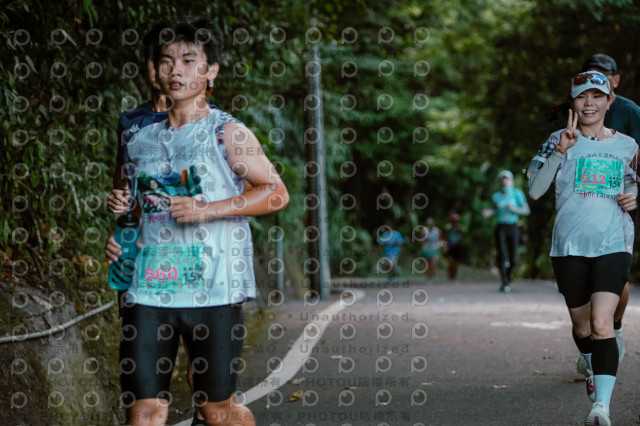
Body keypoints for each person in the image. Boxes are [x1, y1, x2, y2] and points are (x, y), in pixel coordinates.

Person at [107, 18, 289, 426]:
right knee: (144, 411)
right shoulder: (138, 139)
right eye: (166, 61)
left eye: (189, 60)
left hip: (214, 291)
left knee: (216, 412)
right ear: (155, 70)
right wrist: (121, 236)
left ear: (211, 72)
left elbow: (276, 193)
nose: (176, 70)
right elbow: (135, 210)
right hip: (149, 289)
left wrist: (208, 209)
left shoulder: (228, 133)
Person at [105, 22, 209, 426]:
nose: (165, 69)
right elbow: (125, 188)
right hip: (145, 264)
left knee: (206, 383)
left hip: (200, 263)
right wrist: (120, 224)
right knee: (142, 392)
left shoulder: (210, 123)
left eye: (177, 60)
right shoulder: (132, 123)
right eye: (158, 60)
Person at [528, 70, 637, 426]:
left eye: (596, 96)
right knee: (582, 327)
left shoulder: (628, 145)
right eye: (581, 96)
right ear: (573, 102)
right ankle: (593, 367)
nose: (589, 103)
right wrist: (561, 150)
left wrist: (633, 196)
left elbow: (632, 183)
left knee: (603, 324)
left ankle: (601, 407)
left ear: (609, 101)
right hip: (569, 246)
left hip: (614, 242)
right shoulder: (557, 140)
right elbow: (535, 190)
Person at [581, 53, 640, 364]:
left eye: (602, 75)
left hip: (619, 205)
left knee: (615, 275)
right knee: (583, 278)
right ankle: (591, 337)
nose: (595, 81)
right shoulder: (579, 109)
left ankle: (612, 329)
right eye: (588, 74)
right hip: (582, 207)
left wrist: (633, 194)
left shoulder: (630, 112)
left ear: (615, 80)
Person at [482, 170, 530, 292]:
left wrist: (514, 209)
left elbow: (526, 211)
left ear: (511, 180)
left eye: (507, 179)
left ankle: (508, 275)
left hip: (513, 226)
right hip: (501, 227)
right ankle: (504, 281)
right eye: (502, 179)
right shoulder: (496, 196)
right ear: (500, 181)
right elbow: (494, 209)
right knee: (501, 254)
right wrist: (488, 213)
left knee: (513, 258)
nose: (505, 181)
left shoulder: (517, 194)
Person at [444, 213, 464, 280]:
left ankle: (454, 275)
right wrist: (445, 246)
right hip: (450, 247)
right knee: (450, 261)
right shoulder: (448, 228)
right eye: (453, 221)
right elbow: (445, 238)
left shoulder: (460, 228)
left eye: (455, 221)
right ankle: (450, 274)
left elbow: (461, 238)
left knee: (456, 263)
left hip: (457, 247)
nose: (454, 222)